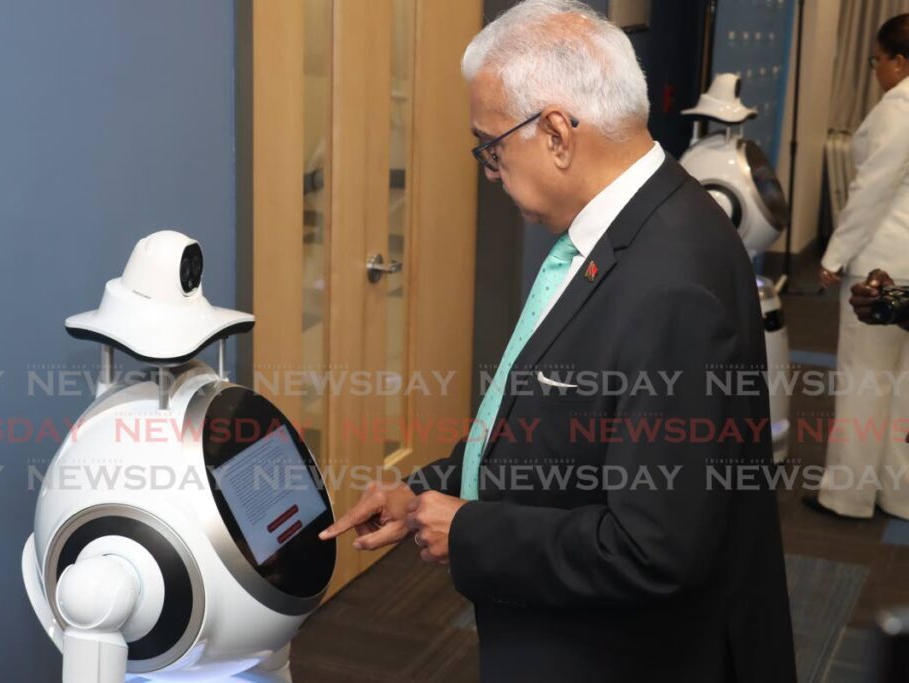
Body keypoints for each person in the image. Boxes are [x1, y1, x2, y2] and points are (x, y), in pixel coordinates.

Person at [319, 1, 796, 681]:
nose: (488, 170)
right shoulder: (634, 223)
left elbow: (651, 546)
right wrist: (430, 488)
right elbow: (560, 428)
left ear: (555, 134)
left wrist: (468, 529)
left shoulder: (671, 283)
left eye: (490, 145)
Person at [810, 14, 909, 520]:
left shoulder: (899, 109)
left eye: (877, 61)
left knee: (866, 378)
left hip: (882, 267)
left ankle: (847, 497)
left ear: (898, 60)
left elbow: (872, 192)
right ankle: (898, 493)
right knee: (904, 383)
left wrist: (833, 256)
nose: (876, 72)